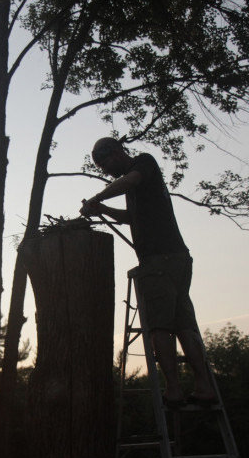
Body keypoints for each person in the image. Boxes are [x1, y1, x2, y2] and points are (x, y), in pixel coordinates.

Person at [80, 137, 217, 408]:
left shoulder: (143, 164)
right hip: (177, 259)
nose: (106, 169)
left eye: (106, 162)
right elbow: (131, 217)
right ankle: (204, 387)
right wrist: (102, 209)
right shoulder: (139, 187)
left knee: (158, 328)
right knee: (184, 325)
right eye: (101, 166)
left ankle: (174, 390)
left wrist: (97, 197)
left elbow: (128, 181)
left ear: (118, 152)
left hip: (159, 262)